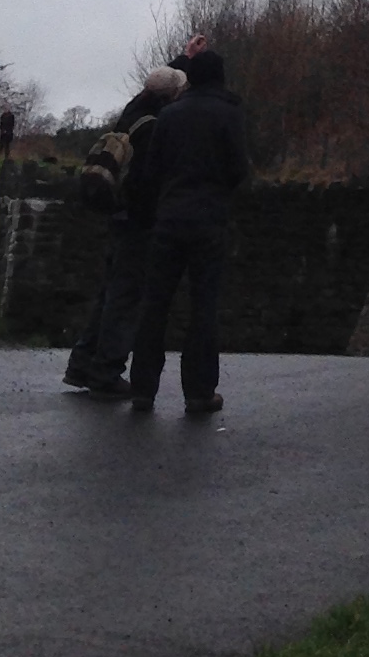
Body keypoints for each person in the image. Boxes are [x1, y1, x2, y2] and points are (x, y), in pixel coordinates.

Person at [126, 49, 248, 417]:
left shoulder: (170, 115)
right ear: (221, 76)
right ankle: (199, 392)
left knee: (155, 303)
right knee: (203, 306)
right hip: (209, 219)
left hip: (169, 218)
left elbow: (151, 170)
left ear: (191, 77)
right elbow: (239, 169)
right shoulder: (229, 113)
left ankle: (143, 389)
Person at [61, 66, 188, 398]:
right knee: (125, 298)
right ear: (172, 96)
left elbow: (161, 86)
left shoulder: (133, 114)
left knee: (109, 293)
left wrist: (183, 59)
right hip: (139, 221)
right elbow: (148, 182)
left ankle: (82, 364)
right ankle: (106, 372)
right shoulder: (156, 128)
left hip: (118, 215)